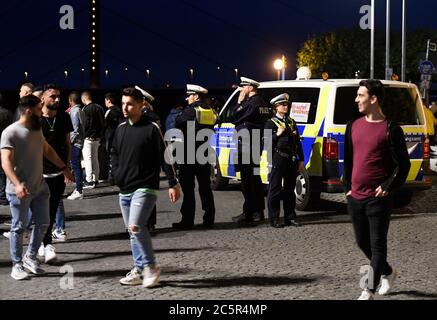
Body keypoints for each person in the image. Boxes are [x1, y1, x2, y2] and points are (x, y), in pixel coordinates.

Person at [343, 79, 411, 300]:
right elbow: (349, 160)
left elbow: (404, 165)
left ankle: (368, 289)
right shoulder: (353, 125)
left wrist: (388, 186)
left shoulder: (391, 129)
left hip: (378, 199)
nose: (356, 99)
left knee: (378, 245)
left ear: (373, 99)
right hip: (356, 196)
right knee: (362, 242)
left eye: (360, 95)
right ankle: (389, 272)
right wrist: (347, 189)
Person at [111, 87, 180, 287]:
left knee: (136, 226)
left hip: (146, 187)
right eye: (123, 103)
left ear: (142, 105)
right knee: (133, 232)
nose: (125, 107)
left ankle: (151, 267)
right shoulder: (120, 128)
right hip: (125, 189)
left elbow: (165, 158)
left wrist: (173, 183)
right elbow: (114, 154)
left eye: (129, 103)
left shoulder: (152, 128)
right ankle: (139, 269)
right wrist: (117, 174)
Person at [1, 95, 73, 280]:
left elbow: (47, 149)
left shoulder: (36, 128)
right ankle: (16, 265)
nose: (42, 111)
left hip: (40, 187)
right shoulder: (10, 132)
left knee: (43, 223)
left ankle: (30, 257)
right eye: (39, 108)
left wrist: (64, 168)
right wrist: (17, 184)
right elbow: (5, 162)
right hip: (20, 190)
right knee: (19, 227)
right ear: (29, 111)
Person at [173, 84, 217, 229]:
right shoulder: (210, 111)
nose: (187, 98)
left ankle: (187, 220)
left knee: (188, 188)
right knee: (205, 187)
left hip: (190, 153)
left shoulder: (191, 110)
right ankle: (209, 218)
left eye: (189, 95)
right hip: (204, 153)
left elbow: (177, 121)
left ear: (196, 96)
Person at [39, 84, 74, 262]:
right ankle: (45, 243)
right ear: (43, 98)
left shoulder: (64, 117)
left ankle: (44, 242)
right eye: (53, 96)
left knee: (52, 209)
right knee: (40, 210)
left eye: (59, 96)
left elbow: (68, 143)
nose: (57, 99)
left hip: (58, 173)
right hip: (39, 174)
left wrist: (66, 167)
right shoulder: (35, 118)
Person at [231, 77, 270, 226]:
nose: (242, 89)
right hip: (255, 144)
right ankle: (258, 211)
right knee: (255, 179)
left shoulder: (251, 104)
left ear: (250, 87)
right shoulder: (262, 103)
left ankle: (248, 213)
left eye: (244, 87)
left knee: (247, 182)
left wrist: (239, 101)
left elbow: (235, 116)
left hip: (247, 145)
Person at [265, 93, 304, 228]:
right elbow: (266, 142)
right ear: (276, 107)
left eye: (286, 104)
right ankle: (274, 218)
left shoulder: (291, 122)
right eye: (283, 105)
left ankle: (290, 217)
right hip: (278, 157)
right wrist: (277, 134)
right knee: (275, 189)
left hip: (291, 158)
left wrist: (301, 159)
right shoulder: (271, 122)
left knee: (289, 189)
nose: (285, 106)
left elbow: (297, 142)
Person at [81, 91, 105, 189]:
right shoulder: (99, 108)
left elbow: (85, 124)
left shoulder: (85, 109)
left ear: (84, 99)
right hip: (97, 138)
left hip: (88, 138)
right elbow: (103, 123)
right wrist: (100, 135)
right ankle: (96, 179)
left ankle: (89, 180)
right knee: (95, 158)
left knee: (88, 159)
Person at [67, 91, 85, 200]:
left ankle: (79, 190)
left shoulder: (74, 111)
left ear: (70, 100)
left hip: (75, 143)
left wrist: (69, 142)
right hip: (80, 141)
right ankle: (78, 188)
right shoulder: (81, 110)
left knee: (76, 166)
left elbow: (75, 130)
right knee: (77, 165)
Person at [103, 92, 122, 183]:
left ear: (108, 101)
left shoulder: (110, 111)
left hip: (111, 137)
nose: (105, 103)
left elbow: (105, 125)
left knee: (111, 157)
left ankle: (112, 177)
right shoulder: (119, 110)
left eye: (105, 101)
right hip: (119, 137)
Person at [0, 92, 13, 205]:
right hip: (6, 143)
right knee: (5, 168)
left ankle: (2, 194)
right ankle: (5, 193)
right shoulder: (8, 113)